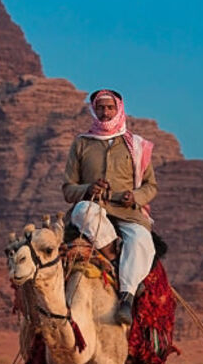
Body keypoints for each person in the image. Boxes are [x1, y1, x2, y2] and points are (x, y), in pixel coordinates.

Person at [63, 87, 157, 325]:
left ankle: (126, 298)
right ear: (93, 110)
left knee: (141, 242)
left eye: (109, 108)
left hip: (128, 212)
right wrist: (88, 189)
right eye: (100, 108)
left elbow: (150, 186)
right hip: (94, 209)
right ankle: (114, 259)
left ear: (119, 109)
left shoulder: (136, 145)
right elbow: (68, 189)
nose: (105, 113)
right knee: (83, 210)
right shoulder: (82, 144)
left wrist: (134, 197)